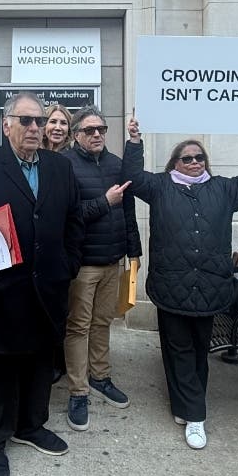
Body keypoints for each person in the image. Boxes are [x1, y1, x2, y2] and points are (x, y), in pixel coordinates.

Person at [122, 115, 238, 450]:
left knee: (197, 350)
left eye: (199, 158)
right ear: (175, 163)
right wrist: (135, 140)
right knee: (177, 348)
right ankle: (195, 415)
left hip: (209, 287)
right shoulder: (160, 186)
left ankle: (185, 403)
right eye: (187, 158)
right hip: (171, 285)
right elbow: (132, 177)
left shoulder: (223, 188)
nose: (195, 162)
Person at [0, 91, 82, 476]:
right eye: (26, 120)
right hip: (1, 291)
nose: (35, 128)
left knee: (41, 362)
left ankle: (31, 425)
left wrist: (68, 266)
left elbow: (74, 220)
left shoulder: (59, 166)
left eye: (39, 121)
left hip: (48, 288)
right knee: (0, 368)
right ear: (6, 124)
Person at [59, 106, 140, 432]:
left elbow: (129, 211)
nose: (97, 135)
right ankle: (78, 391)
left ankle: (100, 377)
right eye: (89, 130)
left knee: (103, 322)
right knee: (78, 327)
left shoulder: (116, 164)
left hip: (112, 261)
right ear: (75, 134)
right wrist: (104, 202)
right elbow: (65, 214)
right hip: (83, 265)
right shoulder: (64, 164)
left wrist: (133, 252)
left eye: (101, 129)